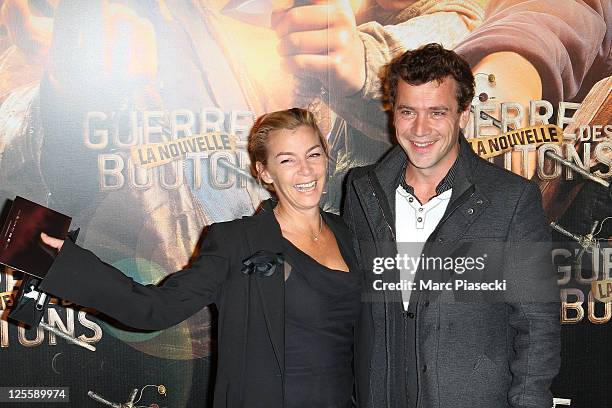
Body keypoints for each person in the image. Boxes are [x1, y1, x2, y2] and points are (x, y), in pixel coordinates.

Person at [37, 108, 361, 408]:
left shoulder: (351, 235)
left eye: (313, 154)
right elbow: (154, 309)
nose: (305, 170)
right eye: (287, 160)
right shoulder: (237, 241)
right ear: (264, 172)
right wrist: (65, 261)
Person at [343, 44, 560, 407]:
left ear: (462, 115)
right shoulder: (362, 189)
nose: (420, 129)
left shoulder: (511, 199)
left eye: (437, 112)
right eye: (407, 111)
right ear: (393, 114)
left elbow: (536, 325)